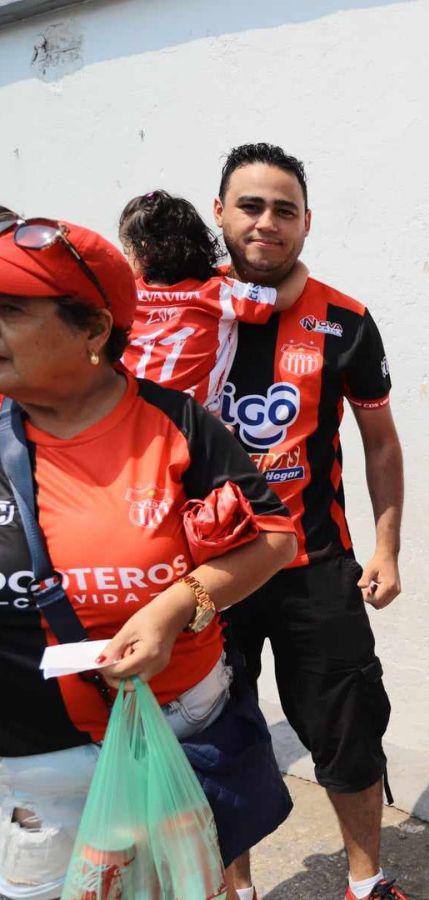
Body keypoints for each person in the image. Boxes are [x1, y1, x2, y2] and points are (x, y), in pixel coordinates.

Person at [0, 213, 297, 900]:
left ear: (94, 331)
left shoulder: (179, 426)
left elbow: (274, 537)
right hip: (35, 774)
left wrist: (177, 606)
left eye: (11, 311)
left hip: (173, 736)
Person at [210, 143, 407, 900]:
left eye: (283, 209)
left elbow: (381, 443)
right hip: (209, 574)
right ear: (220, 213)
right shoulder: (180, 314)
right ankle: (237, 888)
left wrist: (386, 548)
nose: (266, 222)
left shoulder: (347, 320)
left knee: (349, 727)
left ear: (306, 222)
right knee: (220, 735)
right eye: (250, 206)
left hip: (316, 568)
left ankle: (367, 881)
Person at [118, 189, 309, 411]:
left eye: (126, 251)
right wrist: (300, 268)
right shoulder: (218, 292)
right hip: (187, 421)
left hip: (128, 410)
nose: (126, 259)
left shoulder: (128, 294)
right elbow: (284, 298)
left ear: (143, 249)